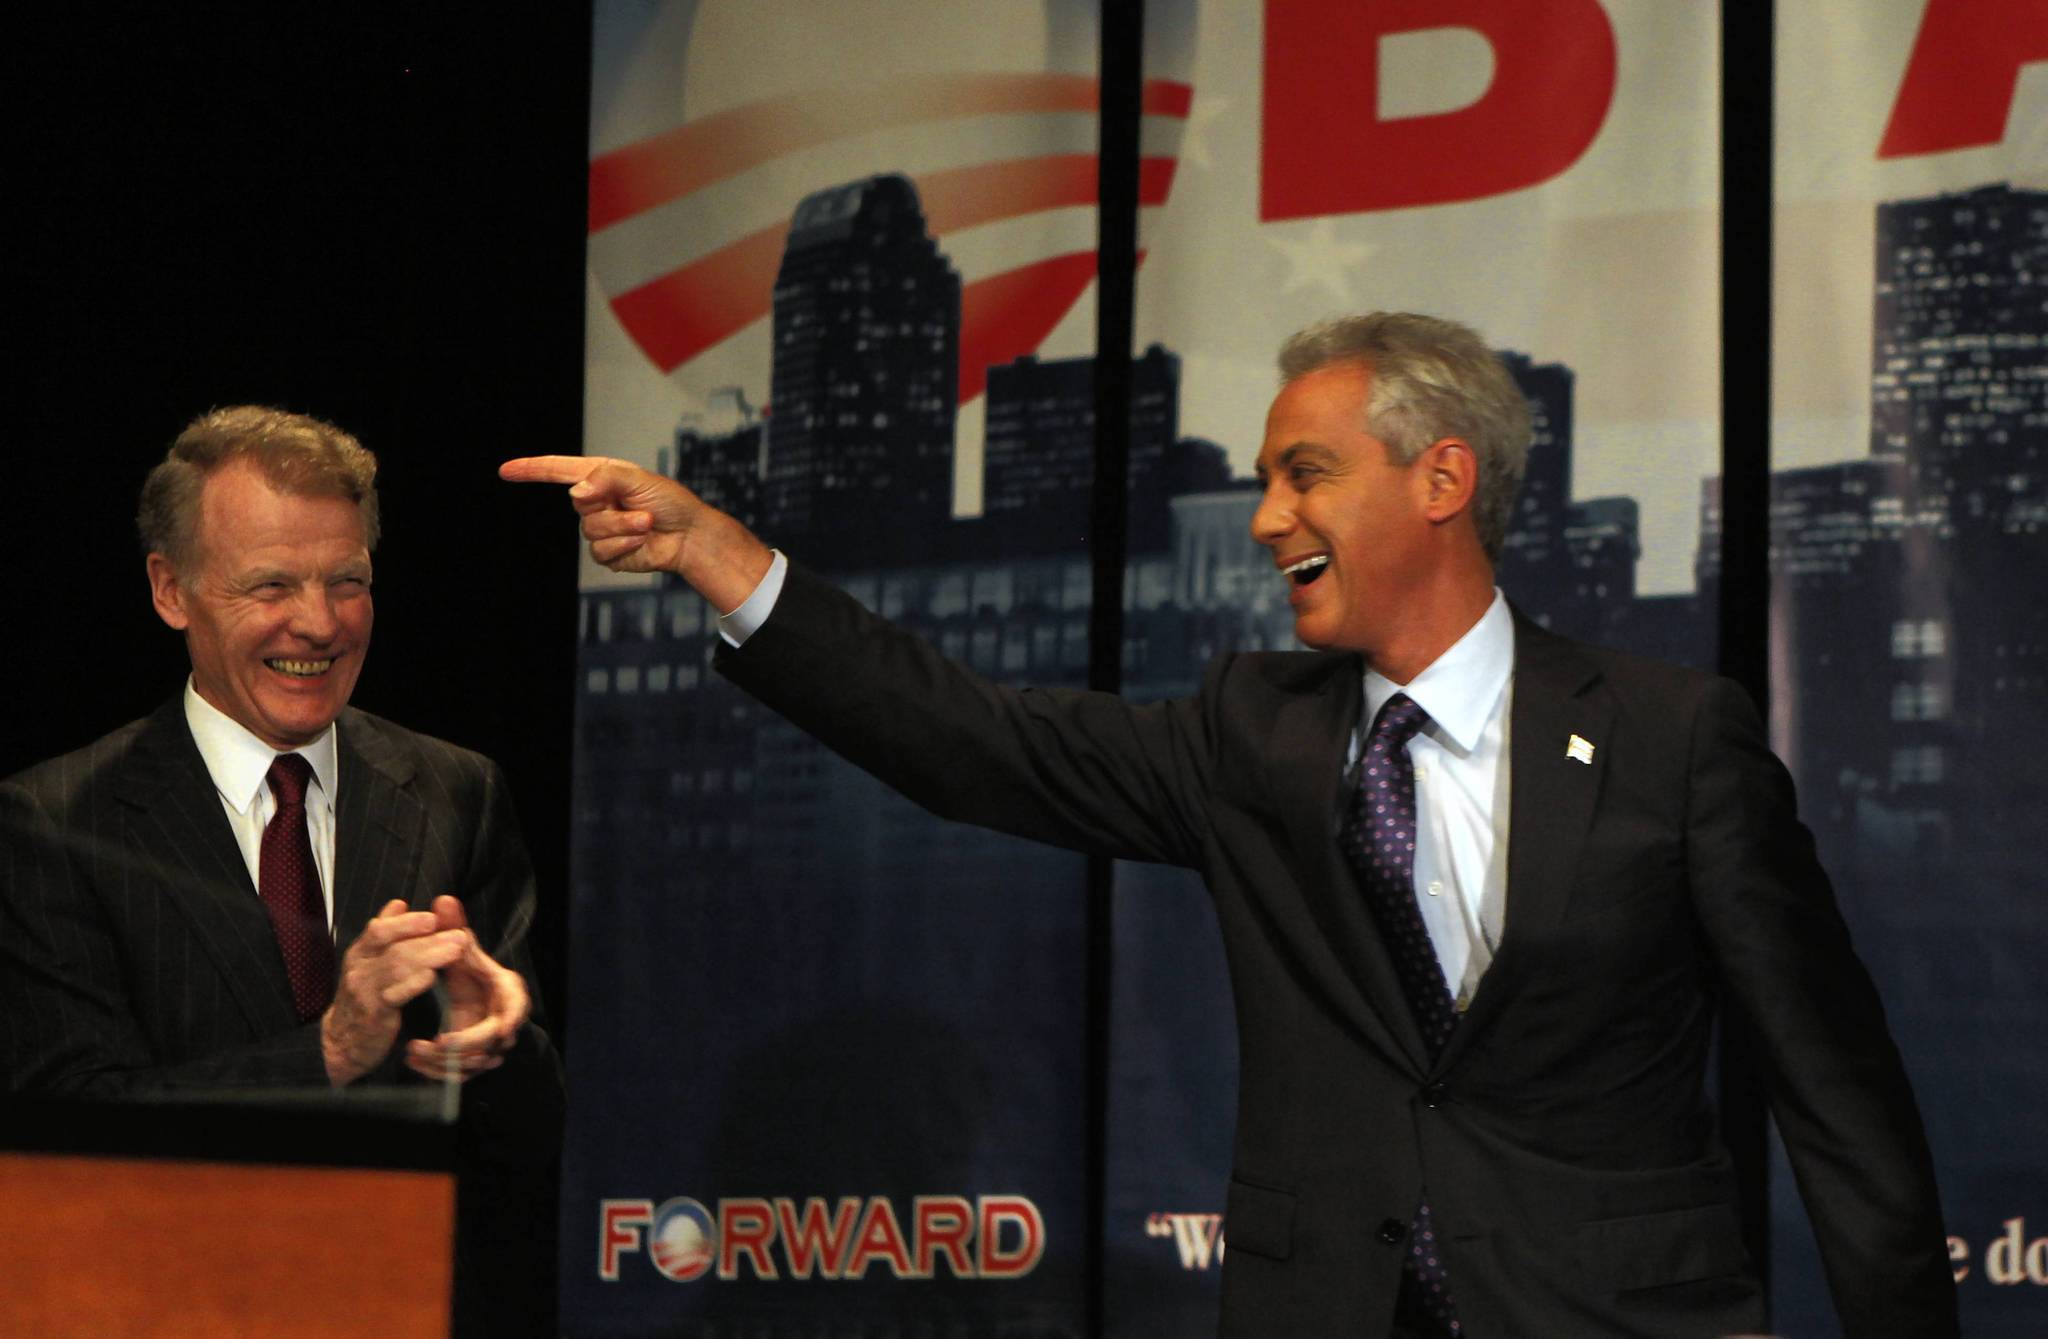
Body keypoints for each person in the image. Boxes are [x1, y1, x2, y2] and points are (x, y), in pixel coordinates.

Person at [504, 313, 1955, 1337]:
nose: (1264, 517)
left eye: (1303, 472)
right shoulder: (1253, 729)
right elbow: (972, 741)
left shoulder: (1668, 734)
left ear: (1441, 476)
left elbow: (1838, 1091)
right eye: (1266, 478)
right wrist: (724, 556)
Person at [2, 405, 564, 1330]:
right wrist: (332, 1049)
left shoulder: (458, 791)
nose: (320, 622)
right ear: (170, 589)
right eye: (271, 584)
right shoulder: (54, 822)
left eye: (348, 580)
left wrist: (491, 1044)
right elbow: (74, 1134)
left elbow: (533, 1138)